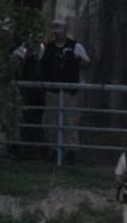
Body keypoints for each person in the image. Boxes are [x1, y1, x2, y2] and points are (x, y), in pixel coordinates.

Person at [39, 20, 91, 163]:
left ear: (65, 30)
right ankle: (54, 150)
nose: (57, 32)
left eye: (59, 29)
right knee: (51, 120)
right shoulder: (47, 48)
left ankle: (71, 151)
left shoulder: (75, 46)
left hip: (69, 91)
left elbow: (86, 63)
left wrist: (79, 61)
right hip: (52, 91)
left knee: (70, 121)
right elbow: (42, 65)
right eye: (54, 29)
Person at [10, 34, 46, 160]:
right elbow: (15, 65)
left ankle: (35, 152)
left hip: (38, 94)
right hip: (24, 92)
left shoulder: (44, 49)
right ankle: (17, 150)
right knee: (21, 121)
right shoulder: (22, 50)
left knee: (36, 122)